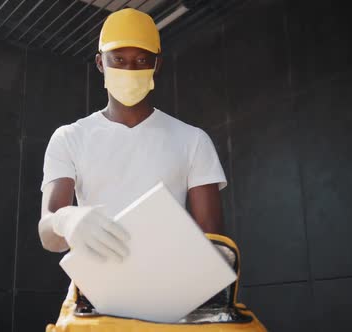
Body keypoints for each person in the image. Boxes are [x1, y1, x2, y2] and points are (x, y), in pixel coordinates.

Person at [38, 8, 227, 264]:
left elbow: (213, 241)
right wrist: (66, 220)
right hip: (95, 295)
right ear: (99, 63)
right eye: (117, 59)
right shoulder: (70, 138)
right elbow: (49, 237)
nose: (129, 69)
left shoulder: (192, 140)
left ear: (157, 64)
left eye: (141, 60)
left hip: (170, 289)